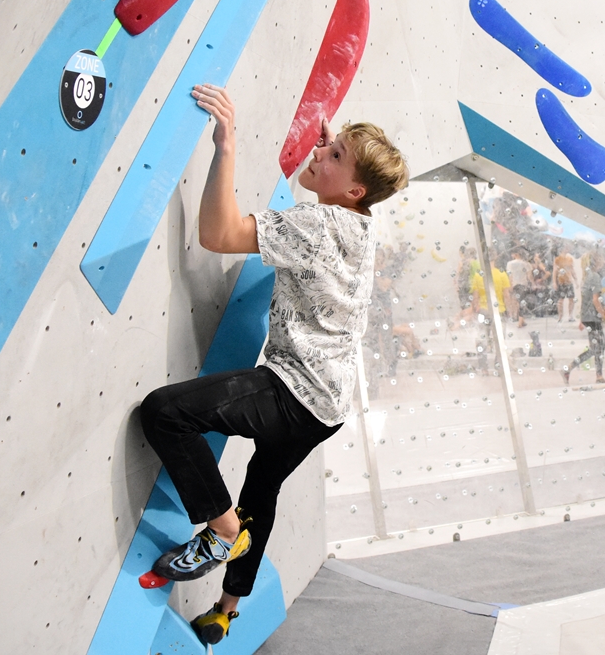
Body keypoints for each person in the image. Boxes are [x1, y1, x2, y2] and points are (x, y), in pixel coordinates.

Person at [139, 83, 407, 644]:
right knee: (262, 488)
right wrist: (342, 147)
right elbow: (347, 188)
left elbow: (217, 235)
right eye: (327, 149)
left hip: (293, 392)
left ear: (354, 189)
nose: (319, 154)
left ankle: (220, 533)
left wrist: (226, 146)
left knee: (165, 413)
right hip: (328, 406)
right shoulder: (362, 222)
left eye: (333, 158)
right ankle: (225, 612)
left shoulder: (316, 226)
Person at [564, 250, 605, 384]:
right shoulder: (594, 276)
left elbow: (584, 298)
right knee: (598, 347)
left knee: (596, 347)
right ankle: (573, 369)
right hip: (593, 317)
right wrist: (603, 315)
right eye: (601, 258)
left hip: (588, 317)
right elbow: (595, 299)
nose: (603, 260)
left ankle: (596, 375)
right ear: (596, 261)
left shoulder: (587, 276)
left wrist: (581, 319)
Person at [505, 249, 531, 327]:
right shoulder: (526, 264)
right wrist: (531, 283)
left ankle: (516, 317)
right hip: (523, 284)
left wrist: (509, 285)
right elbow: (529, 275)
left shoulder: (509, 263)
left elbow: (510, 275)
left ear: (516, 254)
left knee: (514, 301)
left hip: (514, 284)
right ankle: (520, 320)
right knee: (522, 302)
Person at [552, 244, 576, 322]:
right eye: (566, 247)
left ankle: (570, 315)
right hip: (561, 281)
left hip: (569, 281)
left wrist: (575, 279)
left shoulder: (570, 259)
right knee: (560, 300)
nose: (567, 249)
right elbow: (555, 271)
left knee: (571, 299)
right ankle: (560, 316)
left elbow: (572, 270)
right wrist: (554, 282)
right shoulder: (557, 259)